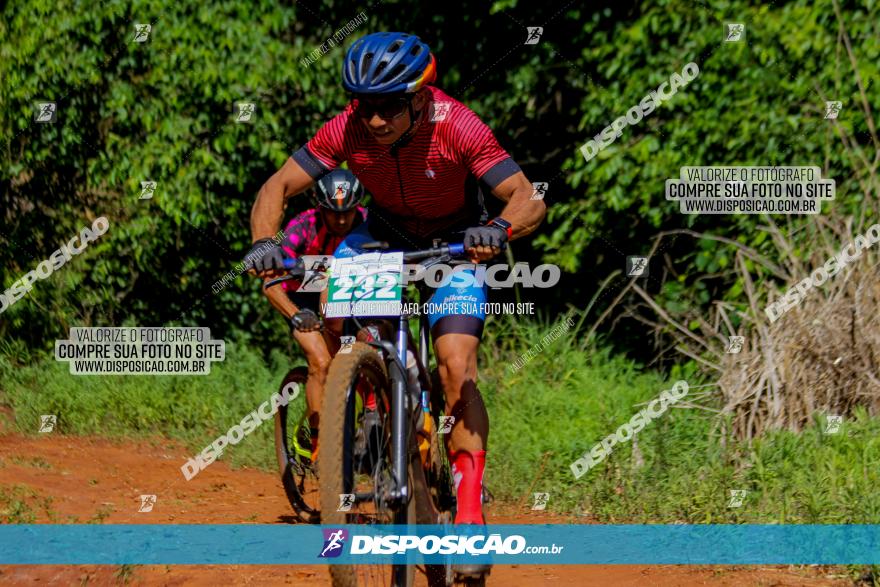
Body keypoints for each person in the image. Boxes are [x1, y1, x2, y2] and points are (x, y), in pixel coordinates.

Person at [246, 31, 545, 578]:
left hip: (455, 244)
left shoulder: (456, 123)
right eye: (365, 105)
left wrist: (498, 228)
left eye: (388, 107)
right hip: (380, 239)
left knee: (456, 366)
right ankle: (382, 408)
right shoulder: (349, 127)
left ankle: (471, 517)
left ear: (417, 98)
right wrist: (265, 240)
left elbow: (529, 196)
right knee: (361, 350)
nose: (375, 120)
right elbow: (277, 185)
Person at [255, 168, 366, 457]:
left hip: (346, 293)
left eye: (348, 212)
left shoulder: (368, 223)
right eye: (332, 213)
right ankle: (319, 444)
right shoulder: (302, 227)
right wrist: (295, 315)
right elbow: (270, 282)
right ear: (319, 207)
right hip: (299, 297)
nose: (341, 220)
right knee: (321, 361)